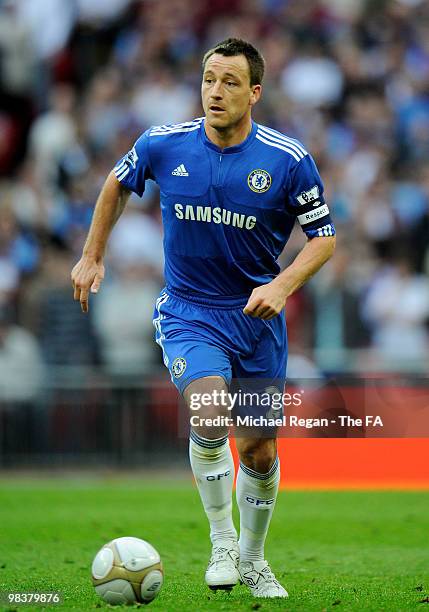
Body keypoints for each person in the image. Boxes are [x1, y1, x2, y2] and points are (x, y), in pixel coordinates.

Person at [71, 38, 336, 599]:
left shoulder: (287, 160)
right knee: (210, 410)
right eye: (209, 79)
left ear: (254, 92)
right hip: (191, 312)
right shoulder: (164, 144)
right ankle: (221, 540)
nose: (215, 91)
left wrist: (282, 284)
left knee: (259, 449)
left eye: (230, 82)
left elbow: (324, 239)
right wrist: (93, 254)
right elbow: (117, 182)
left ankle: (253, 558)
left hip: (257, 320)